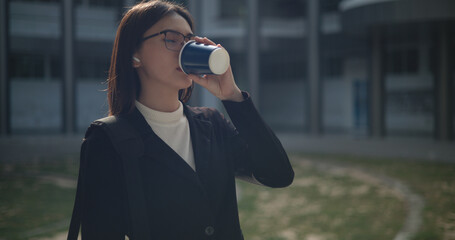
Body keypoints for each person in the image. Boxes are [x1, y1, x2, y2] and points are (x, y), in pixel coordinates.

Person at [70, 0, 294, 239]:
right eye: (172, 39)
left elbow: (278, 174)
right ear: (134, 54)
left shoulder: (212, 124)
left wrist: (232, 95)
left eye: (189, 40)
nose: (185, 49)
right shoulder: (108, 140)